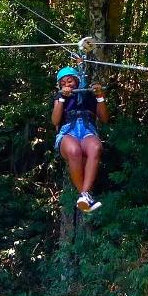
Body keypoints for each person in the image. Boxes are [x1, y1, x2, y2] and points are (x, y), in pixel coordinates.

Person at [52, 66, 108, 212]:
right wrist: (63, 98)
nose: (67, 84)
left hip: (87, 129)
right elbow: (55, 120)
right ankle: (84, 194)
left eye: (69, 81)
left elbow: (104, 118)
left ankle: (85, 195)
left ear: (76, 81)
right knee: (74, 151)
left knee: (95, 148)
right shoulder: (60, 97)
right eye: (63, 83)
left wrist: (100, 96)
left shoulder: (88, 94)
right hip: (68, 131)